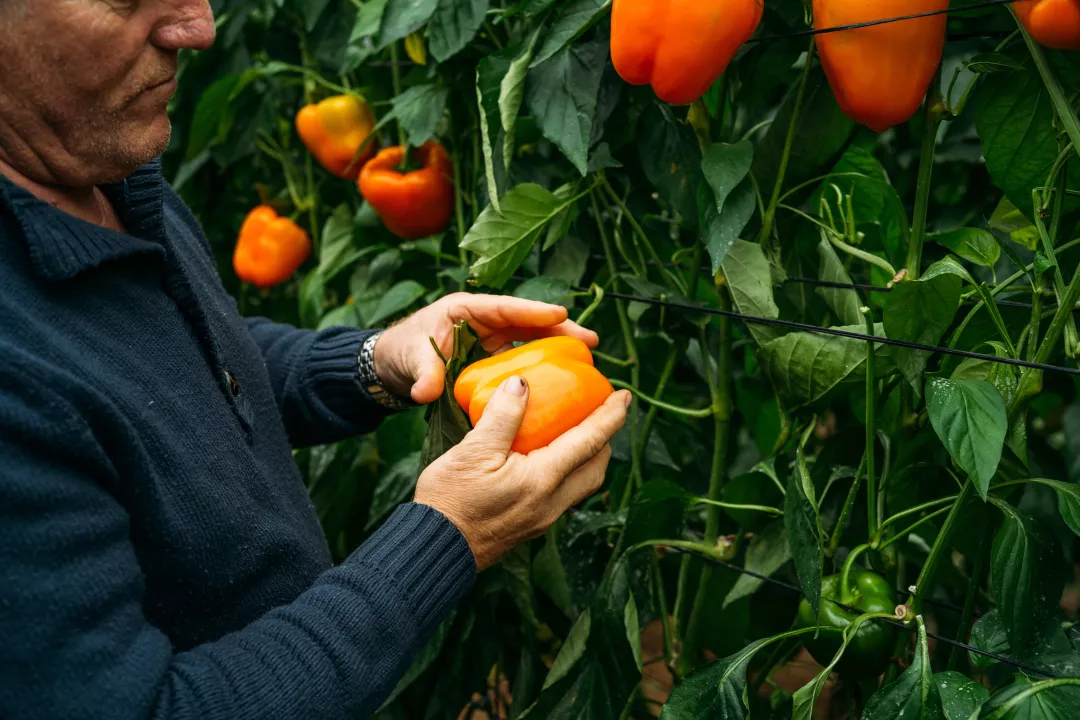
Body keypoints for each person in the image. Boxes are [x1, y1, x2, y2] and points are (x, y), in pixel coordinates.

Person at [0, 2, 630, 718]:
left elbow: (169, 365)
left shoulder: (94, 161)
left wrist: (373, 361)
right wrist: (446, 537)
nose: (198, 27)